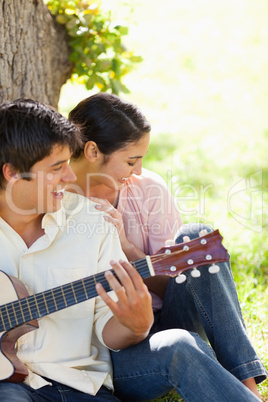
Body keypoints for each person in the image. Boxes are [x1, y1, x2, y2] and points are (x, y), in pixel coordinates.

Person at [69, 92, 267, 401]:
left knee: (195, 237)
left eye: (141, 160)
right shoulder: (55, 205)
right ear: (93, 151)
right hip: (117, 352)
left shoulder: (147, 188)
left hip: (169, 316)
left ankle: (247, 384)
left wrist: (124, 247)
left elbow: (172, 285)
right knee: (177, 346)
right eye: (131, 160)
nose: (137, 171)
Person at [0, 99, 154, 401]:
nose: (70, 177)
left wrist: (136, 326)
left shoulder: (93, 222)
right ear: (13, 172)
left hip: (80, 388)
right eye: (58, 167)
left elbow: (104, 328)